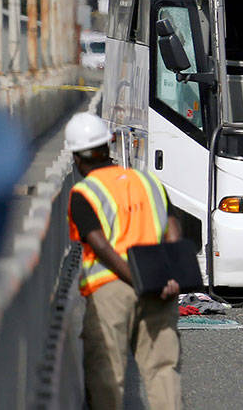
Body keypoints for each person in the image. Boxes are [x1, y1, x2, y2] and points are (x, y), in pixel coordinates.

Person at [65, 112, 182, 410]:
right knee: (162, 369)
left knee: (107, 373)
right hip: (159, 281)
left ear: (77, 159)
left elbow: (100, 245)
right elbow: (172, 227)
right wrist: (171, 274)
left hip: (112, 287)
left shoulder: (84, 193)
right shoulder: (147, 181)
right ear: (109, 146)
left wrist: (136, 277)